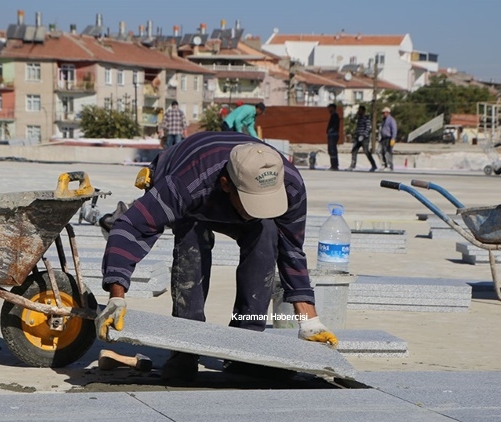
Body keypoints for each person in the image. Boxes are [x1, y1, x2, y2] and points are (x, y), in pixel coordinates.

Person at [96, 131, 338, 381]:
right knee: (192, 234)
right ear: (225, 185)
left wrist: (309, 322)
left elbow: (292, 250)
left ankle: (246, 344)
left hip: (221, 182)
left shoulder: (290, 185)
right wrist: (117, 297)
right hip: (190, 176)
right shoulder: (186, 184)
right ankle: (186, 346)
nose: (259, 210)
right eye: (252, 203)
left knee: (267, 231)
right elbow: (131, 226)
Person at [347, 105, 377, 172]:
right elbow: (358, 128)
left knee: (366, 151)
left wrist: (363, 135)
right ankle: (352, 165)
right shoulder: (359, 118)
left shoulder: (366, 118)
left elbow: (368, 128)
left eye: (360, 110)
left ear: (363, 111)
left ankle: (374, 165)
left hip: (364, 138)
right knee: (354, 151)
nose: (359, 111)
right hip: (357, 137)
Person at [378, 107, 398, 171]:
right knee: (379, 151)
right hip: (383, 138)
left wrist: (393, 139)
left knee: (387, 152)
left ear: (387, 113)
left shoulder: (391, 120)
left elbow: (394, 130)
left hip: (389, 138)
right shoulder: (384, 120)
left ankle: (390, 165)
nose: (383, 114)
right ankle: (384, 164)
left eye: (384, 113)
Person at [326, 103, 340, 170]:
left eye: (330, 108)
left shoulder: (335, 115)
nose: (329, 109)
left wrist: (330, 130)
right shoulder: (333, 115)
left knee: (332, 150)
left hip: (333, 135)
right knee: (331, 150)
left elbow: (334, 125)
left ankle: (334, 165)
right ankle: (333, 165)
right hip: (331, 134)